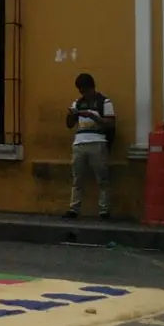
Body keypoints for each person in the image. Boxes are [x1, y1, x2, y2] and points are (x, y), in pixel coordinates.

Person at [63, 73, 116, 220]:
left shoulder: (104, 102)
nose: (83, 93)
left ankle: (104, 210)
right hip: (79, 143)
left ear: (92, 88)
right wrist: (71, 115)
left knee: (102, 178)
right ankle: (74, 208)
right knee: (77, 178)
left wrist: (93, 116)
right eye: (80, 91)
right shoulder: (78, 103)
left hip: (98, 142)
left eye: (85, 90)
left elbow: (111, 123)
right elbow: (69, 125)